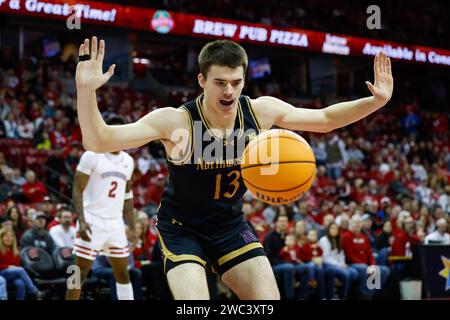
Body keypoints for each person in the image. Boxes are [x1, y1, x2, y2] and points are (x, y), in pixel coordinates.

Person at [76, 36, 393, 299]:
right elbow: (98, 140)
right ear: (202, 81)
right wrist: (86, 90)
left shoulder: (260, 112)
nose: (229, 91)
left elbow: (324, 120)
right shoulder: (176, 120)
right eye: (219, 83)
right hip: (182, 229)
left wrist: (374, 102)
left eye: (236, 82)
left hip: (229, 225)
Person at [65, 116, 137, 300]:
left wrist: (133, 228)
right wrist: (81, 221)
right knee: (78, 272)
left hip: (115, 224)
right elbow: (77, 188)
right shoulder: (92, 154)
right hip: (92, 220)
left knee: (123, 274)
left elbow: (127, 197)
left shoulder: (128, 161)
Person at [342, 215, 390, 298]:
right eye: (355, 223)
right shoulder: (345, 237)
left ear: (361, 225)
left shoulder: (364, 237)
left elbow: (369, 254)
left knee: (384, 270)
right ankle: (365, 294)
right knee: (363, 268)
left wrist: (372, 265)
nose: (357, 225)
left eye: (359, 223)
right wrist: (367, 267)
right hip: (351, 264)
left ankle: (371, 293)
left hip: (365, 265)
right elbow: (349, 255)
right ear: (350, 224)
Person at [0, 228, 44, 300]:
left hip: (11, 274)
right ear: (1, 238)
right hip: (1, 273)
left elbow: (17, 266)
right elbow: (17, 268)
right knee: (20, 270)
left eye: (11, 236)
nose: (9, 238)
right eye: (7, 236)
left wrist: (12, 268)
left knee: (21, 284)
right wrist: (8, 266)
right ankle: (35, 291)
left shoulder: (15, 251)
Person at [319, 222, 358, 299]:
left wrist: (343, 263)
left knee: (354, 273)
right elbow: (326, 257)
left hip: (338, 264)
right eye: (332, 228)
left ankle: (341, 293)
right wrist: (339, 265)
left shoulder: (338, 240)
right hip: (327, 264)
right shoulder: (324, 240)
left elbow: (341, 255)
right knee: (346, 274)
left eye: (336, 229)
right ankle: (342, 296)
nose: (334, 230)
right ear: (328, 229)